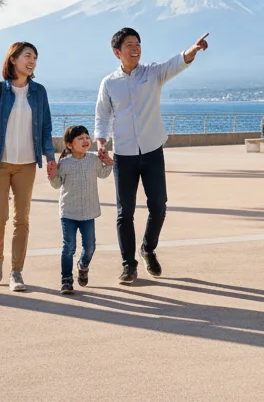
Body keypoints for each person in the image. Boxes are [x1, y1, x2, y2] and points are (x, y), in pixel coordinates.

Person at [94, 27, 209, 285]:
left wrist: (194, 49)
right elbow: (102, 116)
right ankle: (128, 265)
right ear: (117, 52)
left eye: (137, 43)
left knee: (158, 206)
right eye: (129, 45)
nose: (135, 48)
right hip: (123, 155)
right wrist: (101, 142)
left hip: (152, 151)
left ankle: (147, 248)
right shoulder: (109, 83)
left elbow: (177, 62)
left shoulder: (153, 73)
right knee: (125, 212)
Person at [0, 42, 56, 292]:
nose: (32, 61)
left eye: (35, 58)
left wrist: (50, 158)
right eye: (28, 56)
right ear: (13, 59)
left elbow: (46, 128)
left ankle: (17, 271)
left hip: (26, 164)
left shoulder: (39, 92)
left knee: (22, 219)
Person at [49, 124, 114, 294]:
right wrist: (52, 175)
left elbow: (103, 174)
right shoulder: (64, 163)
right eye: (80, 138)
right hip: (68, 212)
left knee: (90, 246)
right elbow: (56, 185)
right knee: (68, 247)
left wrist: (109, 163)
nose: (86, 140)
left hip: (88, 213)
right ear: (69, 144)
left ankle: (83, 265)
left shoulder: (93, 160)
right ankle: (66, 280)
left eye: (87, 137)